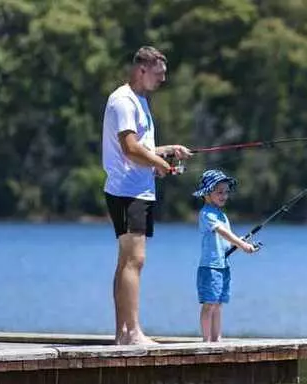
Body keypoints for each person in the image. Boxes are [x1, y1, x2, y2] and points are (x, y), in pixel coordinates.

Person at [102, 46, 192, 345]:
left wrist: (166, 151)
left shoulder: (140, 101)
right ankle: (132, 332)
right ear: (142, 69)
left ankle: (122, 334)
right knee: (134, 260)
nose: (162, 79)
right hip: (128, 191)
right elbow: (129, 148)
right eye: (158, 73)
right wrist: (159, 163)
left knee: (127, 260)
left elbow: (140, 148)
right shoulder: (123, 101)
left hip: (138, 189)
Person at [193, 169, 258, 342]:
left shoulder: (222, 215)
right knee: (209, 304)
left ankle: (217, 339)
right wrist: (242, 244)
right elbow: (222, 232)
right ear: (207, 193)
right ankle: (206, 341)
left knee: (219, 304)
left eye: (226, 192)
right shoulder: (206, 214)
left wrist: (240, 242)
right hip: (210, 267)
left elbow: (226, 240)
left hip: (223, 266)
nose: (224, 196)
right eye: (219, 192)